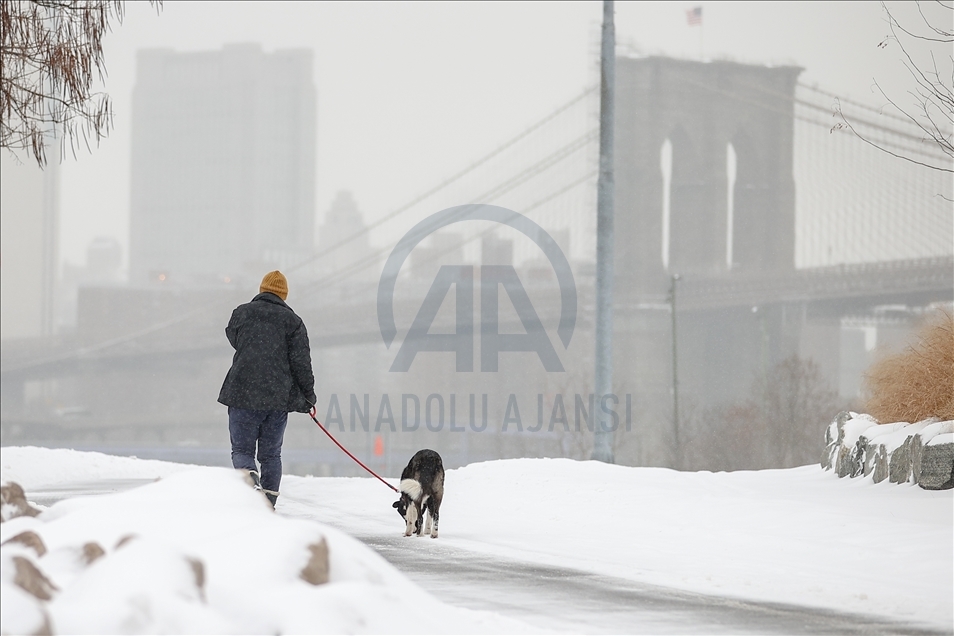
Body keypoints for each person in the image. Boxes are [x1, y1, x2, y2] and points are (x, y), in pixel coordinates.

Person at [218, 270, 316, 507]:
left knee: (242, 450)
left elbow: (234, 338)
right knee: (271, 455)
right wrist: (308, 396)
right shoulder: (293, 322)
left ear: (261, 290)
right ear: (284, 294)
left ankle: (249, 477)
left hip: (242, 393)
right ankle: (269, 502)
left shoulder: (242, 313)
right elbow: (302, 363)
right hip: (277, 398)